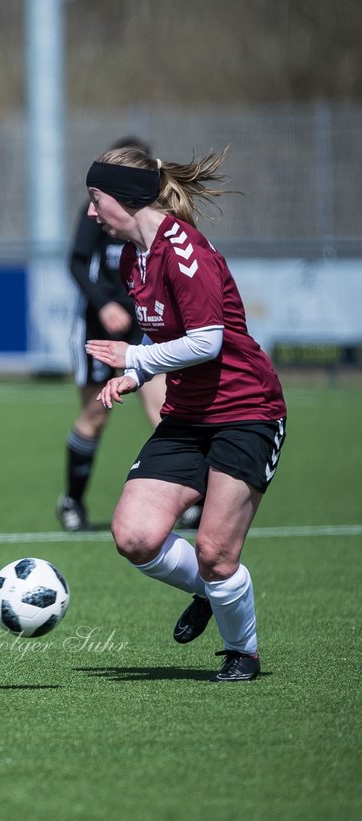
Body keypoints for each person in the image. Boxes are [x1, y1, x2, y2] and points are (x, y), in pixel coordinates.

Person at [83, 145, 286, 682]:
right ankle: (215, 591)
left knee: (216, 551)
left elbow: (207, 341)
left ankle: (242, 649)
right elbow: (159, 328)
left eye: (95, 199)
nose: (89, 213)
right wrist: (138, 374)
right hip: (188, 414)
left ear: (124, 198)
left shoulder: (183, 249)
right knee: (134, 535)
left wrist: (138, 358)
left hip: (246, 411)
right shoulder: (134, 257)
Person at [57, 137, 170, 533]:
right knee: (96, 415)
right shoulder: (96, 216)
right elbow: (75, 261)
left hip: (145, 327)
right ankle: (72, 501)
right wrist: (105, 305)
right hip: (96, 327)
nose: (94, 207)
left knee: (164, 413)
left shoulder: (157, 223)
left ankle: (189, 501)